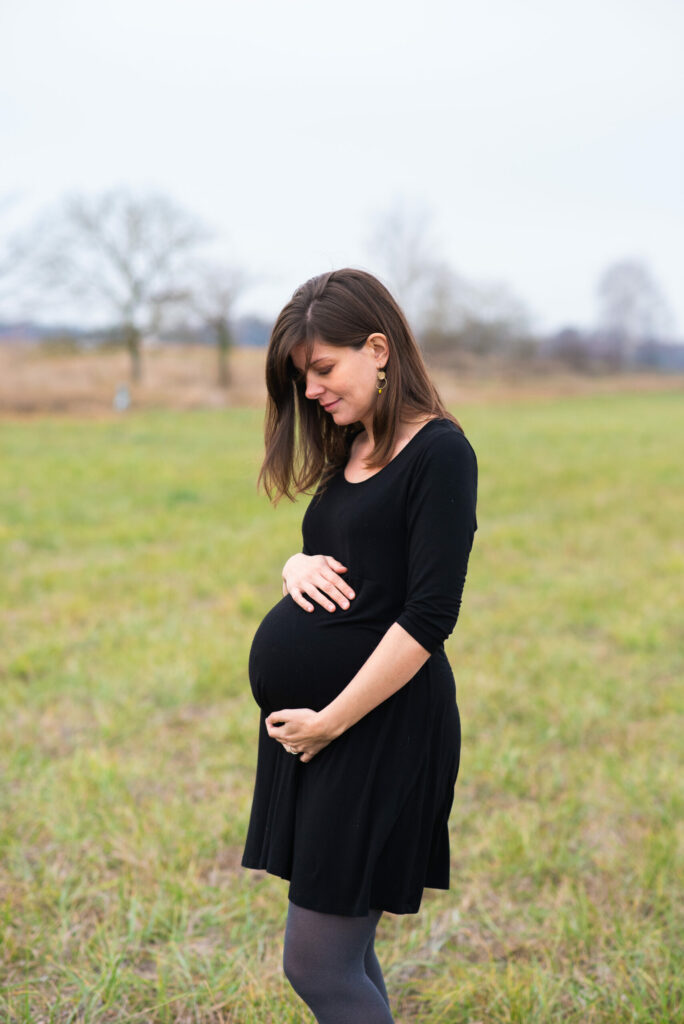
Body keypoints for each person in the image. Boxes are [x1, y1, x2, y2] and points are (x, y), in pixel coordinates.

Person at [241, 268, 478, 1023]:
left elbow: (427, 617)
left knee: (316, 964)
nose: (310, 392)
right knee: (344, 953)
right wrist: (293, 563)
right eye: (300, 378)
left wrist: (331, 720)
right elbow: (347, 562)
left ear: (377, 349)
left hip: (378, 731)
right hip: (327, 736)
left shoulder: (439, 454)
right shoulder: (354, 445)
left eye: (321, 370)